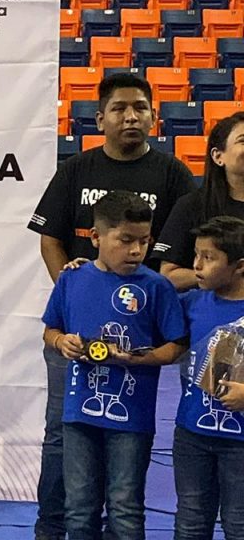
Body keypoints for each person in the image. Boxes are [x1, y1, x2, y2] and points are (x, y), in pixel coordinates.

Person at [27, 72, 196, 540]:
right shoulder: (76, 169)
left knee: (125, 444)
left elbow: (186, 251)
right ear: (100, 118)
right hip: (75, 333)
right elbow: (50, 239)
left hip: (137, 333)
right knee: (62, 433)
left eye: (140, 107)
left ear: (154, 117)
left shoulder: (173, 174)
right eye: (120, 108)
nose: (131, 116)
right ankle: (50, 528)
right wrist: (77, 294)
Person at [43, 190, 187, 540]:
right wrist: (63, 343)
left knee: (125, 507)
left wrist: (137, 358)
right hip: (79, 413)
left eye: (144, 241)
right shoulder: (71, 278)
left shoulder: (156, 287)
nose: (136, 250)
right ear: (96, 237)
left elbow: (177, 346)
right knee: (79, 508)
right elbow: (50, 330)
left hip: (132, 418)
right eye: (125, 240)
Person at [112, 216, 244, 539]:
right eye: (196, 255)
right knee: (190, 521)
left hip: (240, 442)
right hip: (191, 434)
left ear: (240, 266)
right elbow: (137, 303)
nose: (196, 265)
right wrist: (89, 271)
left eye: (208, 257)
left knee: (238, 523)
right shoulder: (190, 303)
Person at [154, 112, 244, 291]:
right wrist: (218, 275)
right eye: (242, 141)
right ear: (218, 156)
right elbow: (168, 275)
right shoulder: (191, 205)